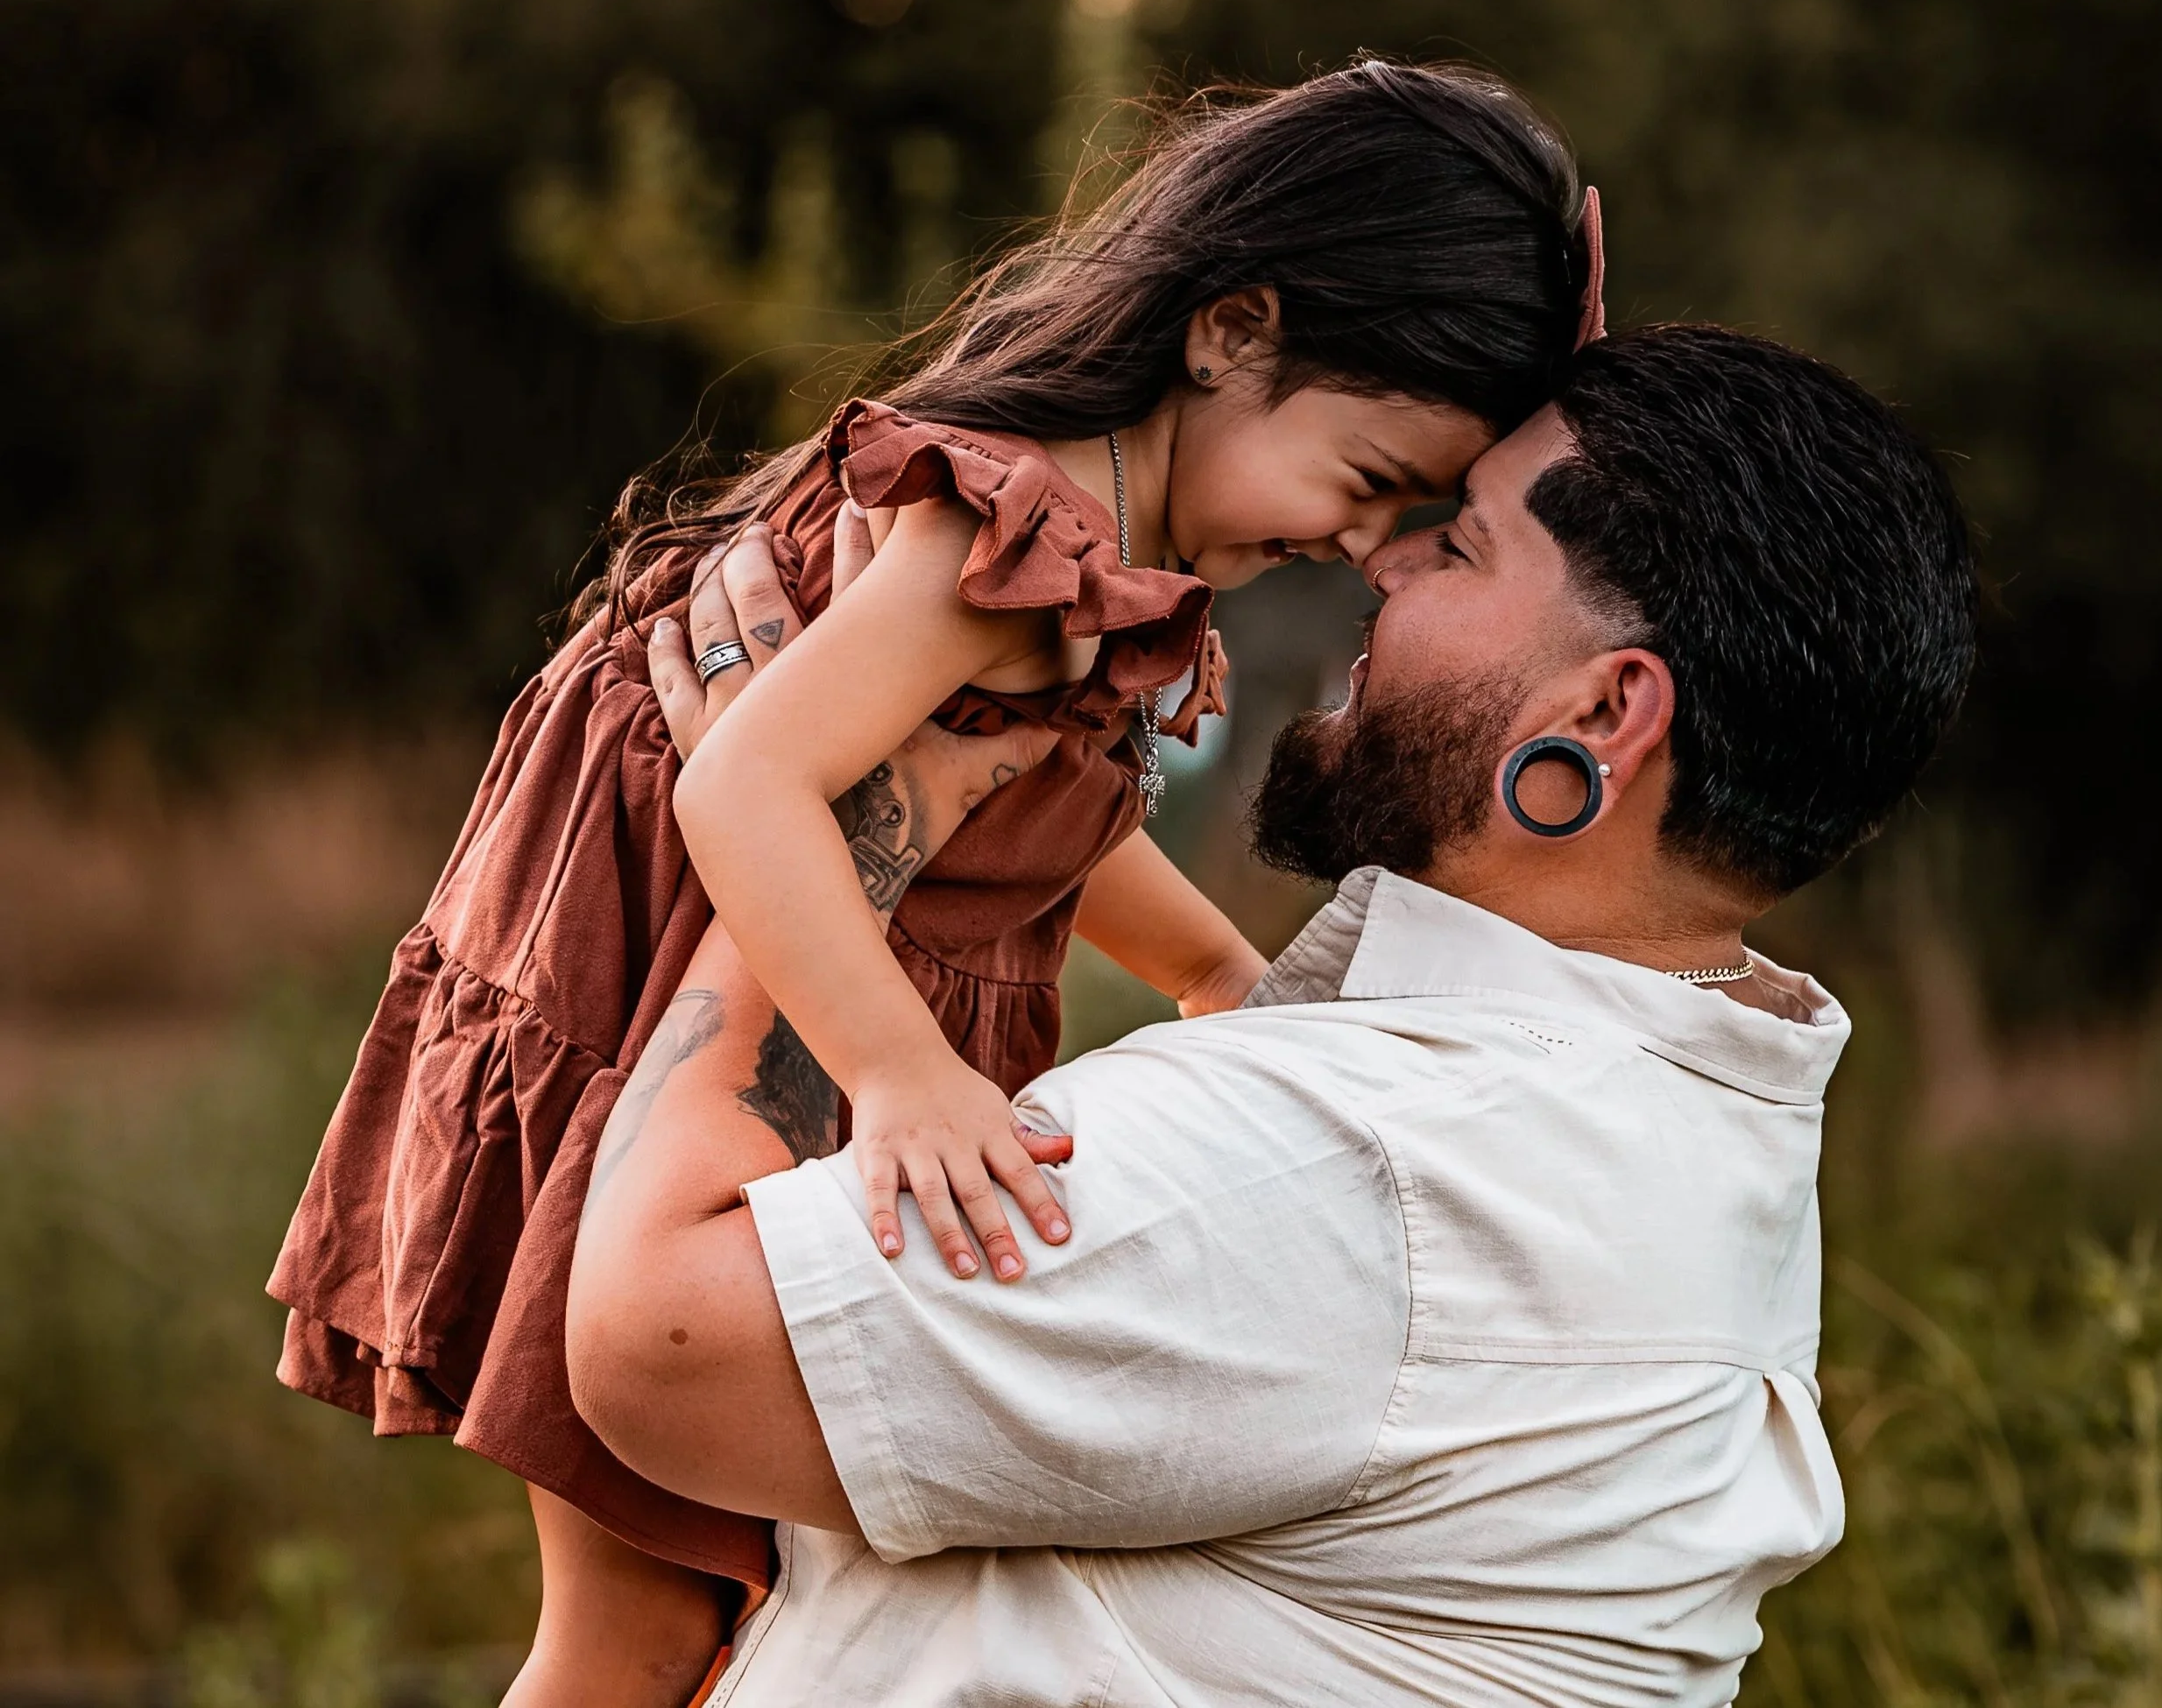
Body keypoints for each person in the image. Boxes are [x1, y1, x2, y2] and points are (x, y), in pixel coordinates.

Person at [267, 60, 1605, 1705]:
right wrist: (901, 1072)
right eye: (1370, 476)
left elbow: (1032, 820)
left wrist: (1215, 978)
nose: (1361, 540)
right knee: (641, 1628)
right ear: (1232, 330)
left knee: (735, 1612)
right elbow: (742, 784)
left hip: (789, 994)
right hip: (676, 1017)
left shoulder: (1099, 549)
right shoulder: (1010, 526)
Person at [566, 323, 1981, 1706]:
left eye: (1462, 543)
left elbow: (658, 1346)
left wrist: (848, 806)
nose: (1381, 558)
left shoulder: (1363, 1164)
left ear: (1607, 712)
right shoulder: (1677, 1130)